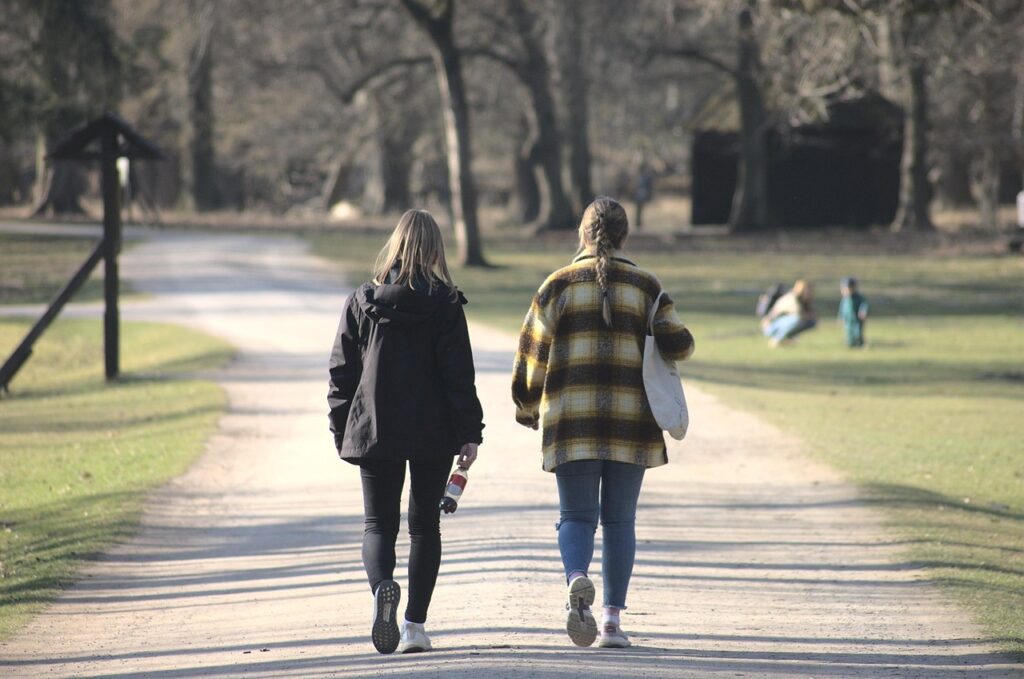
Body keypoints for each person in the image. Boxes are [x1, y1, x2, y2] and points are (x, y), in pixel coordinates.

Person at [511, 196, 695, 649]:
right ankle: (612, 621)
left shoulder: (556, 285)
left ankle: (577, 580)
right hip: (631, 423)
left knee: (575, 515)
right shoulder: (647, 287)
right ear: (625, 235)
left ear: (582, 234)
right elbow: (680, 345)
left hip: (571, 422)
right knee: (619, 521)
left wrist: (528, 407)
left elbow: (531, 355)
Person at [328, 209, 484, 655]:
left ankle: (382, 589)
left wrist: (342, 430)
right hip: (433, 432)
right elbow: (459, 377)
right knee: (424, 528)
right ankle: (414, 626)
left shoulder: (363, 300)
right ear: (436, 249)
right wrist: (469, 433)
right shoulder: (447, 304)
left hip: (375, 429)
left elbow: (341, 372)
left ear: (394, 245)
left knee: (378, 524)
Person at [761, 279, 817, 346]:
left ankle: (787, 339)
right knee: (798, 319)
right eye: (808, 290)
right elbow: (799, 314)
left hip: (781, 322)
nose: (810, 293)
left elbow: (813, 315)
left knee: (811, 322)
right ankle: (776, 340)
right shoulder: (792, 298)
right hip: (770, 326)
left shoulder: (803, 301)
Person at [838, 277, 869, 347]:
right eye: (843, 290)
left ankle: (860, 343)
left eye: (848, 289)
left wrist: (863, 311)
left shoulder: (858, 298)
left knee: (857, 331)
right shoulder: (845, 299)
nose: (845, 291)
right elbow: (841, 309)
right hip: (848, 319)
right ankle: (850, 343)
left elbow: (864, 304)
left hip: (857, 319)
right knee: (848, 331)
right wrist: (841, 317)